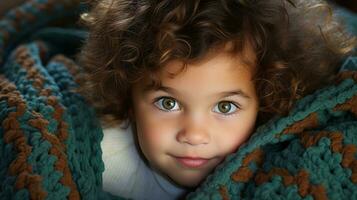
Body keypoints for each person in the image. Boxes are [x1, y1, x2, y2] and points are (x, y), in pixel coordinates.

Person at [76, 0, 356, 199]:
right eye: (167, 103)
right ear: (128, 98)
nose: (195, 135)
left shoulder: (277, 162)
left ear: (266, 100)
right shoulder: (102, 163)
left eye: (225, 106)